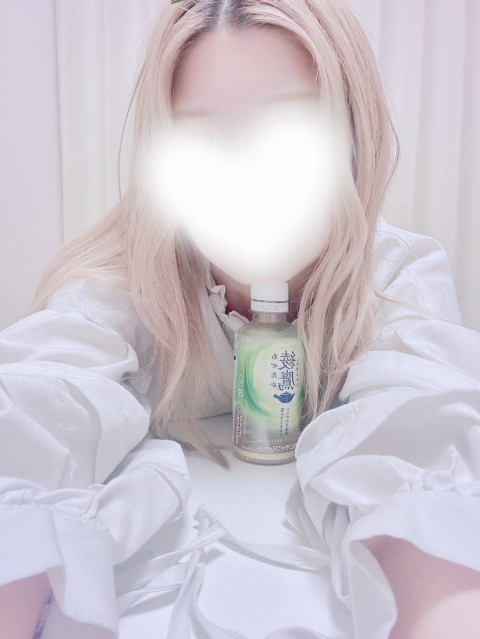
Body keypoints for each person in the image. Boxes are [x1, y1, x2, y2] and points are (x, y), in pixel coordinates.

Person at [1, 0, 480, 638]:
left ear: (353, 138)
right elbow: (39, 415)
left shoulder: (393, 275)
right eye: (202, 140)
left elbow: (426, 447)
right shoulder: (125, 280)